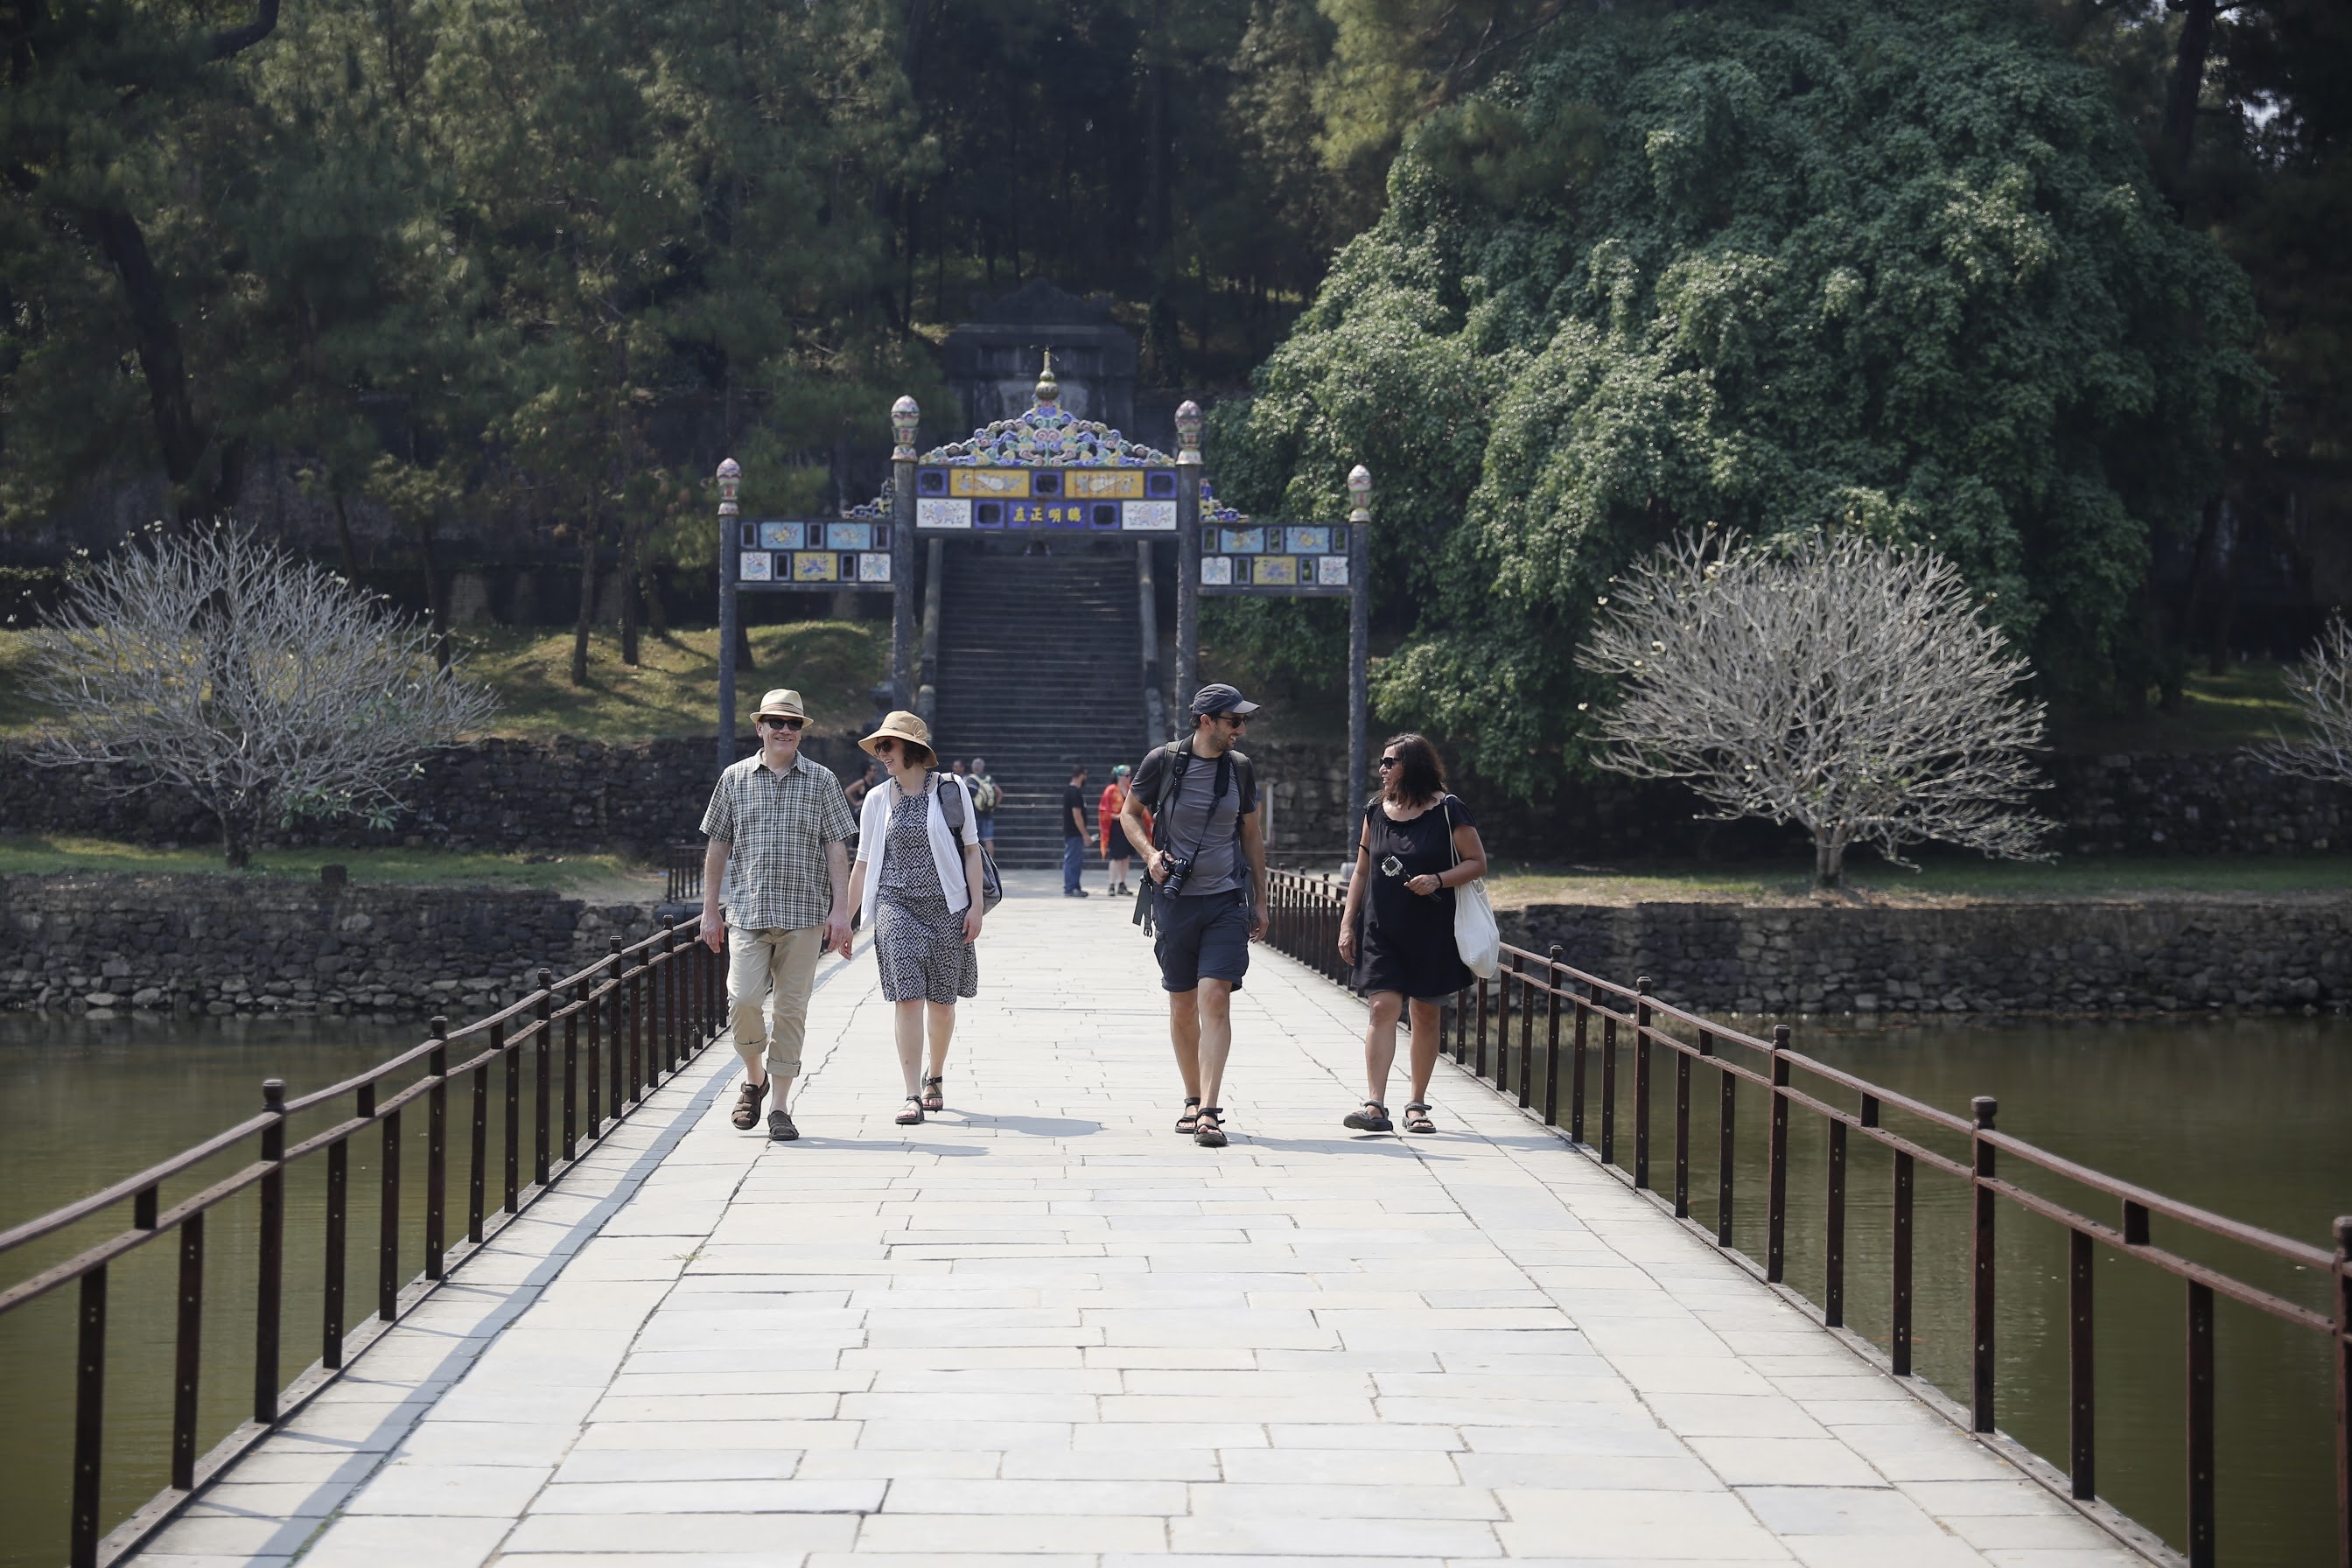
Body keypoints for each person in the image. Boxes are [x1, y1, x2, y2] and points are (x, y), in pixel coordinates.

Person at [699, 688, 856, 1142]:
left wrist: (840, 912)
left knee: (791, 1010)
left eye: (793, 724)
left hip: (805, 916)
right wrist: (711, 911)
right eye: (776, 722)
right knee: (744, 1001)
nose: (785, 730)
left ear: (801, 731)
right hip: (747, 912)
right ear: (760, 727)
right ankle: (755, 1078)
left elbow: (836, 847)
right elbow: (717, 846)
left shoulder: (822, 780)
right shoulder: (734, 778)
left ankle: (781, 1108)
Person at [1120, 683, 1269, 1150]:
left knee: (1215, 996)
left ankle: (1208, 1109)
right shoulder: (1162, 762)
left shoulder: (1240, 770)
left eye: (1243, 721)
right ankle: (1190, 1096)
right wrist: (1149, 855)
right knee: (1182, 1004)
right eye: (1234, 721)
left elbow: (1252, 836)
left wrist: (1260, 900)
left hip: (1225, 898)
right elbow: (1130, 814)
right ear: (1206, 722)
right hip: (1174, 900)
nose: (1241, 730)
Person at [1335, 733, 1488, 1135]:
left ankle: (1417, 1104)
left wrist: (1438, 879)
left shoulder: (1449, 810)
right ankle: (1374, 1106)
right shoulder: (1376, 810)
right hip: (1381, 928)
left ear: (1414, 766)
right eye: (1382, 762)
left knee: (1424, 1014)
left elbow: (1477, 862)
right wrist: (1347, 923)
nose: (1382, 769)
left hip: (1433, 930)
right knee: (1381, 1009)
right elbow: (1362, 871)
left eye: (1391, 762)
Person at [839, 710, 984, 1126]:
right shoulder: (876, 800)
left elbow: (972, 850)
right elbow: (863, 863)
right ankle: (910, 1094)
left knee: (942, 1003)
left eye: (889, 746)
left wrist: (975, 907)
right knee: (907, 997)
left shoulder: (952, 790)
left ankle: (933, 1076)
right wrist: (847, 922)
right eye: (879, 746)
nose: (881, 754)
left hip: (946, 906)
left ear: (913, 749)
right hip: (894, 904)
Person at [1098, 763, 1137, 894]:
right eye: (1127, 775)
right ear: (1119, 777)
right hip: (1116, 827)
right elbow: (1104, 810)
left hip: (1129, 827)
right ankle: (1111, 884)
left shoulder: (1130, 789)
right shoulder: (1111, 790)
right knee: (1116, 857)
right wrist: (1117, 816)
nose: (1129, 777)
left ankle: (1122, 883)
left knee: (1126, 857)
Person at [1061, 764, 1092, 897]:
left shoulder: (1071, 791)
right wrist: (1085, 834)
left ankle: (1075, 886)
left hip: (1073, 833)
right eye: (1085, 775)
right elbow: (1077, 815)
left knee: (1075, 860)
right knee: (1072, 860)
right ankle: (1070, 887)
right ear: (1081, 775)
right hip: (1074, 832)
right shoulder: (1074, 792)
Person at [967, 757, 999, 844]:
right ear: (983, 767)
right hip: (987, 812)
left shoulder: (970, 780)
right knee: (988, 840)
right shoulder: (989, 779)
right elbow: (1000, 793)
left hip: (974, 813)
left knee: (973, 841)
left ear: (973, 767)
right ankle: (990, 857)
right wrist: (994, 806)